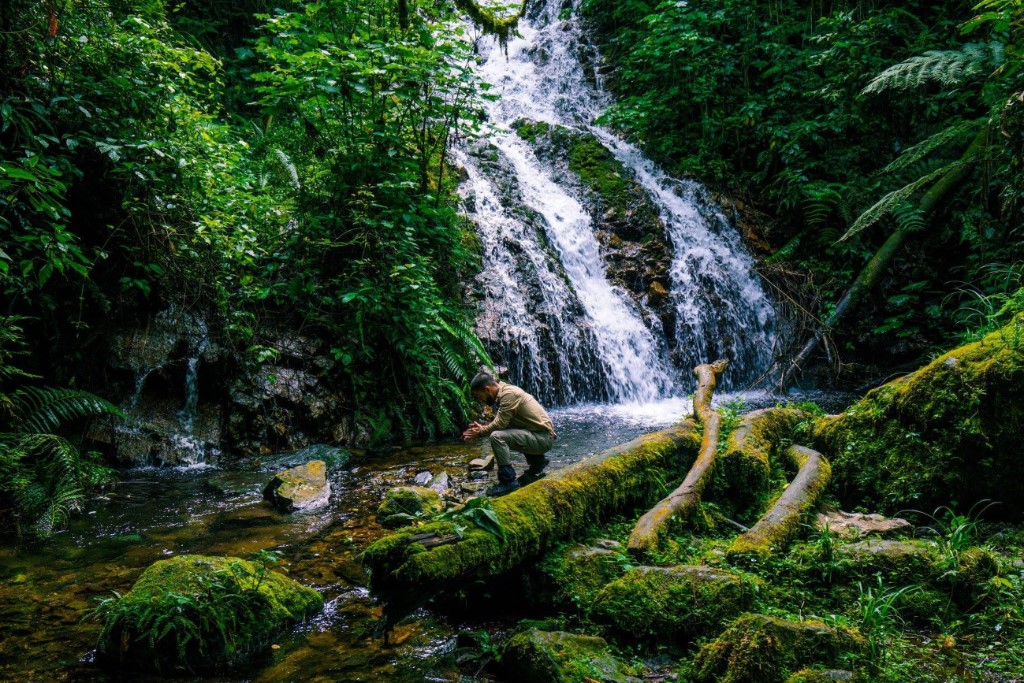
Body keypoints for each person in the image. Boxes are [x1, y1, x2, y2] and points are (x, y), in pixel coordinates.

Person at [462, 371, 556, 497]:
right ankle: (537, 462)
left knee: (497, 437)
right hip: (540, 436)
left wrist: (480, 432)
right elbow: (505, 423)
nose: (482, 401)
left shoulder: (509, 394)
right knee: (505, 431)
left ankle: (508, 481)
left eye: (480, 397)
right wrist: (483, 428)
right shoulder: (506, 393)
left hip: (542, 439)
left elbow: (500, 424)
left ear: (487, 389)